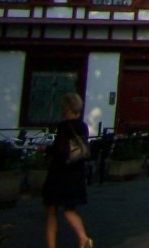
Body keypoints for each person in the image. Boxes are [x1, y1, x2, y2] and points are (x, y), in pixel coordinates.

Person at [43, 91, 91, 248]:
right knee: (69, 210)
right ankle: (83, 238)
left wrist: (45, 150)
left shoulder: (63, 127)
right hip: (76, 171)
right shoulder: (83, 126)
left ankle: (51, 245)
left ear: (66, 109)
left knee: (51, 210)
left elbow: (59, 149)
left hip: (60, 172)